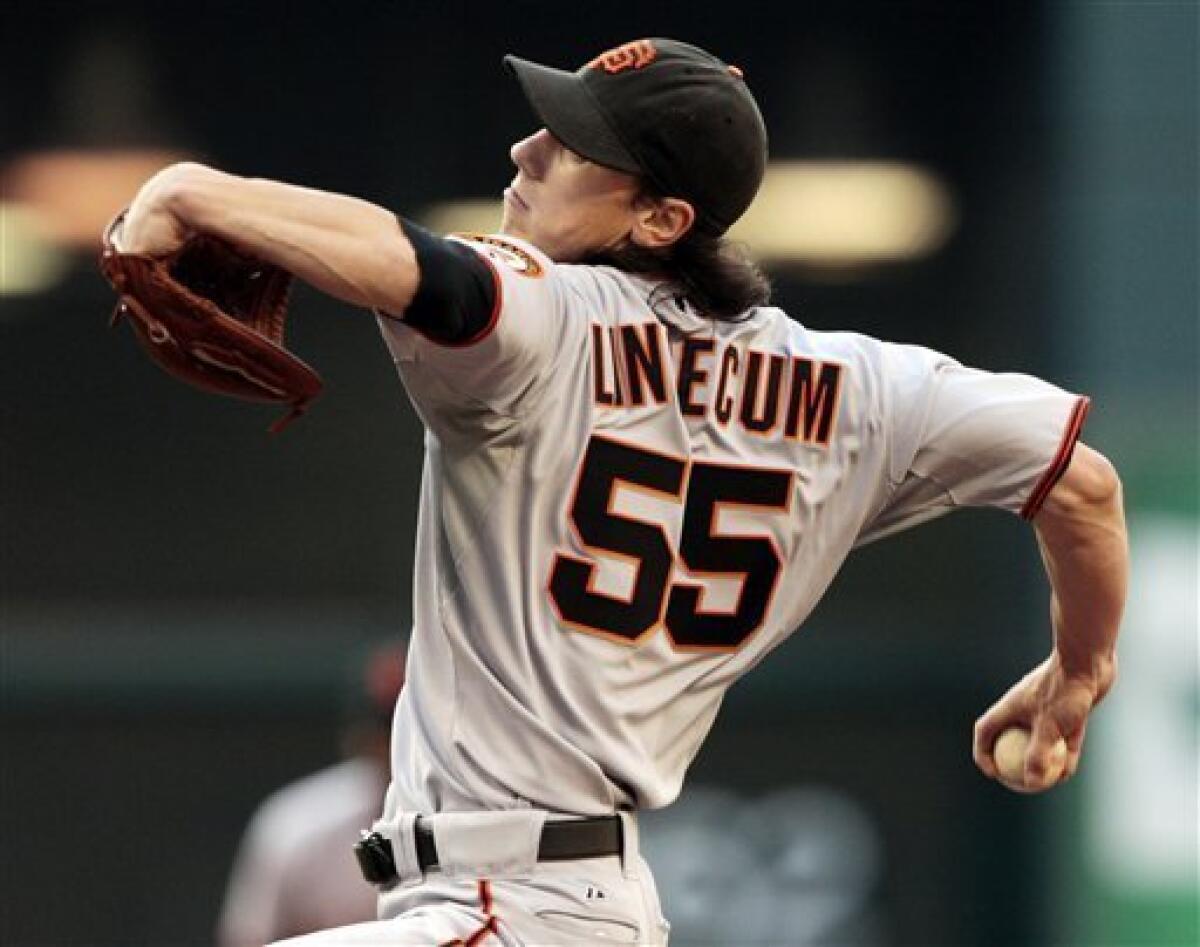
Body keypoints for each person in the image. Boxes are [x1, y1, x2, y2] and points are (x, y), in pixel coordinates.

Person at [116, 38, 1128, 946]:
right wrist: (1078, 674)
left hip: (503, 903)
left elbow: (427, 272)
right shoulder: (870, 392)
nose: (526, 151)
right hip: (558, 900)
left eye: (570, 144)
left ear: (662, 217)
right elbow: (1081, 484)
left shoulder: (555, 320)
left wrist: (198, 192)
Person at [216, 644, 406, 946]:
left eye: (406, 729)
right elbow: (248, 939)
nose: (397, 745)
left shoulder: (476, 818)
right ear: (362, 736)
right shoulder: (299, 824)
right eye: (388, 729)